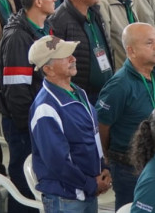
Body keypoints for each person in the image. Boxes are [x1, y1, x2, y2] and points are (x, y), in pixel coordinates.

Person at [28, 35, 111, 213]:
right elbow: (57, 161)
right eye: (65, 56)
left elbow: (92, 136)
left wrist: (103, 169)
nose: (73, 58)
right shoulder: (45, 108)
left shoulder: (78, 92)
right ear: (48, 69)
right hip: (66, 198)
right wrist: (90, 184)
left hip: (87, 191)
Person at [0, 0, 57, 213]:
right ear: (38, 1)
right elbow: (16, 91)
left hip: (40, 120)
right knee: (24, 186)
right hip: (24, 126)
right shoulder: (18, 38)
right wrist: (31, 126)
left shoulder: (44, 28)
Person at [96, 23, 155, 210]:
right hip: (129, 167)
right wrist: (108, 157)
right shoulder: (119, 85)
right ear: (131, 51)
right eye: (149, 43)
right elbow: (102, 125)